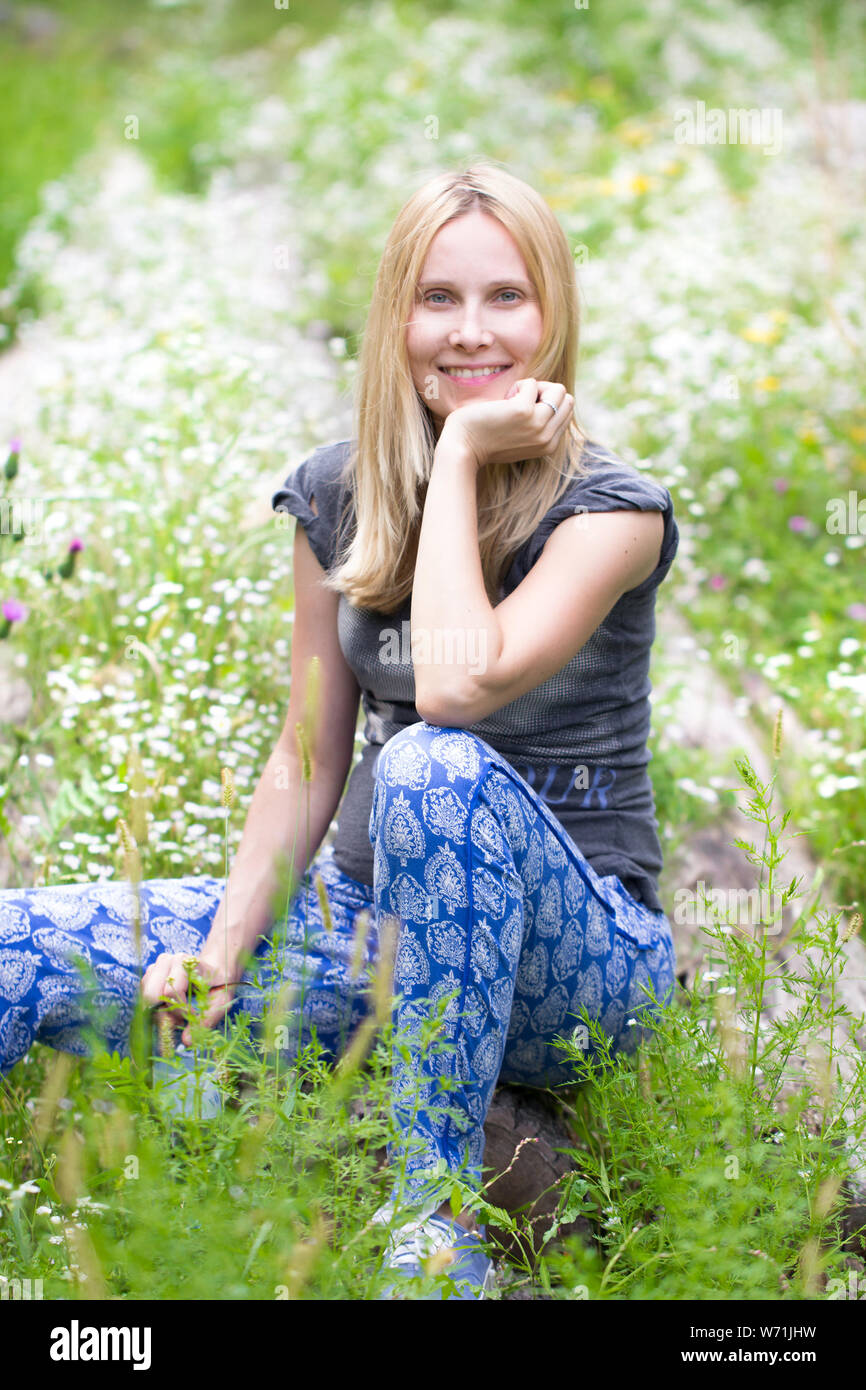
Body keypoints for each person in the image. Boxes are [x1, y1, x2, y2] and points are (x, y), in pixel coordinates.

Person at [0, 160, 680, 1300]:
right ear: (393, 317)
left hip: (578, 969)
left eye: (506, 297)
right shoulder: (334, 493)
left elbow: (458, 690)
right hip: (380, 938)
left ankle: (431, 1222)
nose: (470, 332)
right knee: (19, 948)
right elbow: (307, 753)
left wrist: (461, 455)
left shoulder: (609, 509)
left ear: (553, 313)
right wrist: (220, 952)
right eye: (436, 298)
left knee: (429, 765)